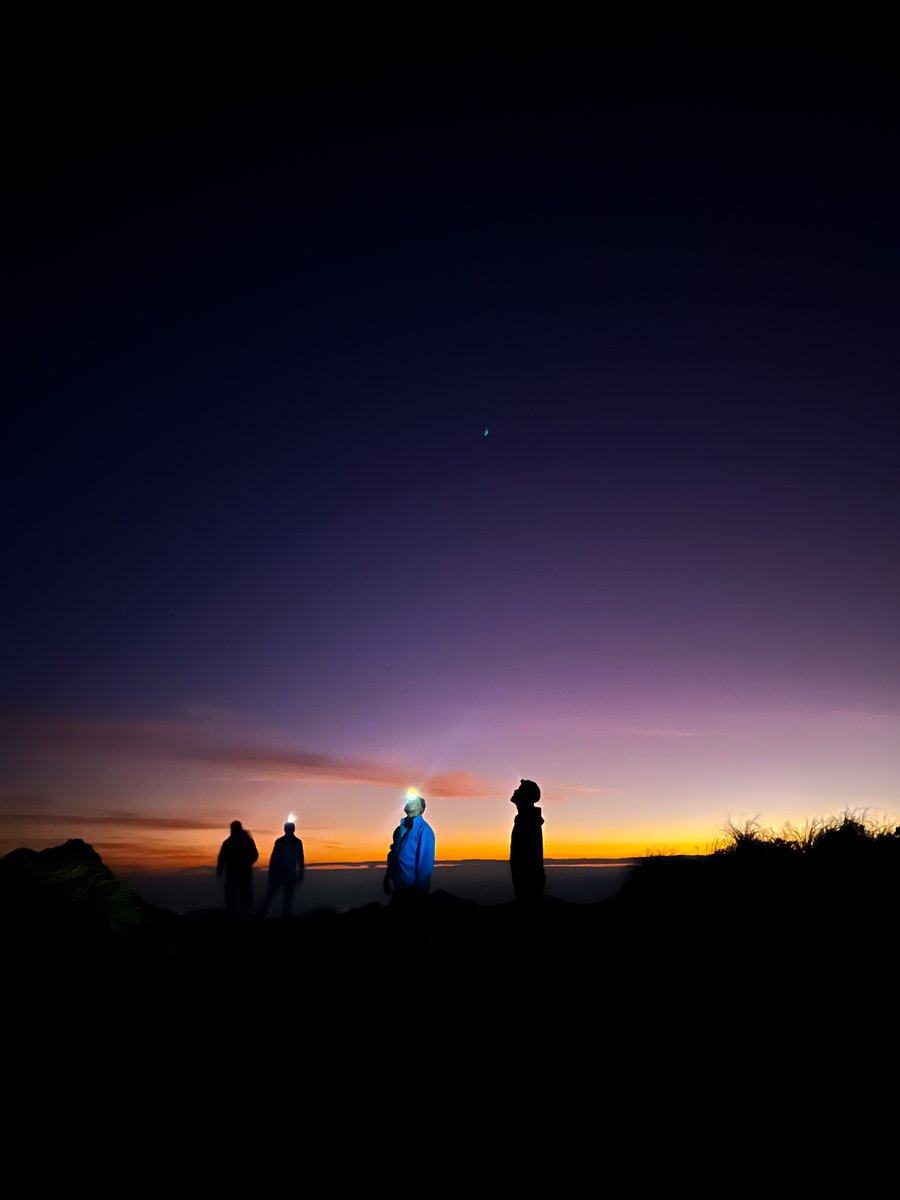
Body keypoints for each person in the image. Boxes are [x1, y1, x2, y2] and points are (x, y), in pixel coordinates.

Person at [383, 791, 436, 909]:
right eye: (408, 800)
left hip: (413, 890)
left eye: (413, 801)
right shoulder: (398, 830)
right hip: (398, 888)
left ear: (420, 808)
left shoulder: (425, 830)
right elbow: (393, 855)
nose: (408, 802)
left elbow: (425, 864)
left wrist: (422, 893)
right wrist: (387, 878)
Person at [509, 779, 545, 910]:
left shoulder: (528, 821)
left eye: (519, 790)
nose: (515, 791)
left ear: (526, 796)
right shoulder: (526, 818)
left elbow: (529, 859)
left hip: (528, 884)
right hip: (527, 882)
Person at [258, 820, 305, 917]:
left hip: (280, 873)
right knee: (286, 897)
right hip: (288, 873)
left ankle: (262, 915)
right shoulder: (297, 842)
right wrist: (300, 873)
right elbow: (300, 859)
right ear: (293, 829)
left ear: (285, 829)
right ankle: (283, 916)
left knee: (271, 895)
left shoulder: (280, 841)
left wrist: (271, 870)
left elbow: (274, 857)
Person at [216, 820, 259, 915]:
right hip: (242, 873)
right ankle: (245, 916)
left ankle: (239, 917)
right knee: (243, 897)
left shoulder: (228, 842)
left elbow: (221, 857)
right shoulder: (247, 840)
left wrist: (220, 869)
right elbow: (255, 855)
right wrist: (248, 863)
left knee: (235, 898)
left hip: (235, 874)